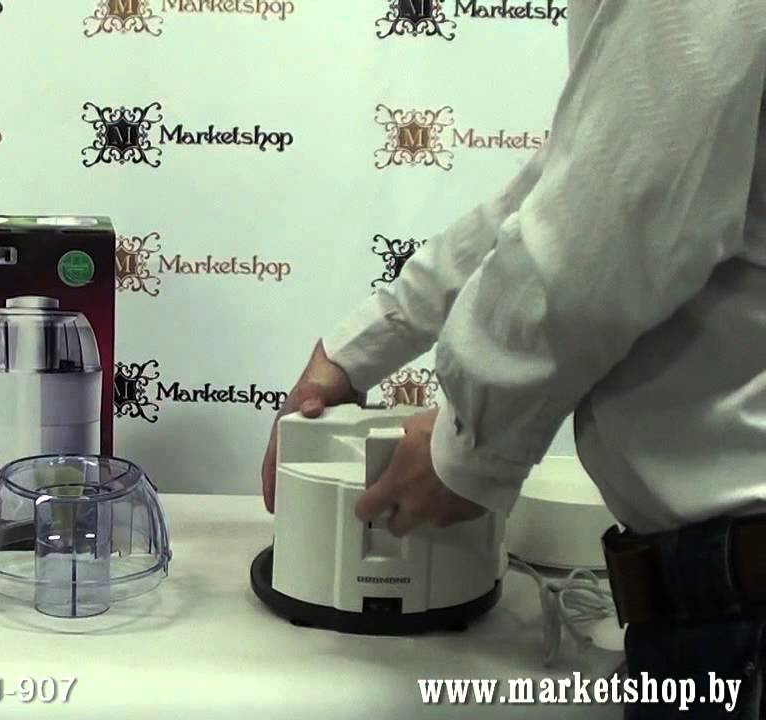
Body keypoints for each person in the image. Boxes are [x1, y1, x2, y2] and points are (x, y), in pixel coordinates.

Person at [261, 2, 766, 718]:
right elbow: (579, 177)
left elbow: (607, 229)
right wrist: (361, 345)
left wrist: (467, 445)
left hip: (739, 604)